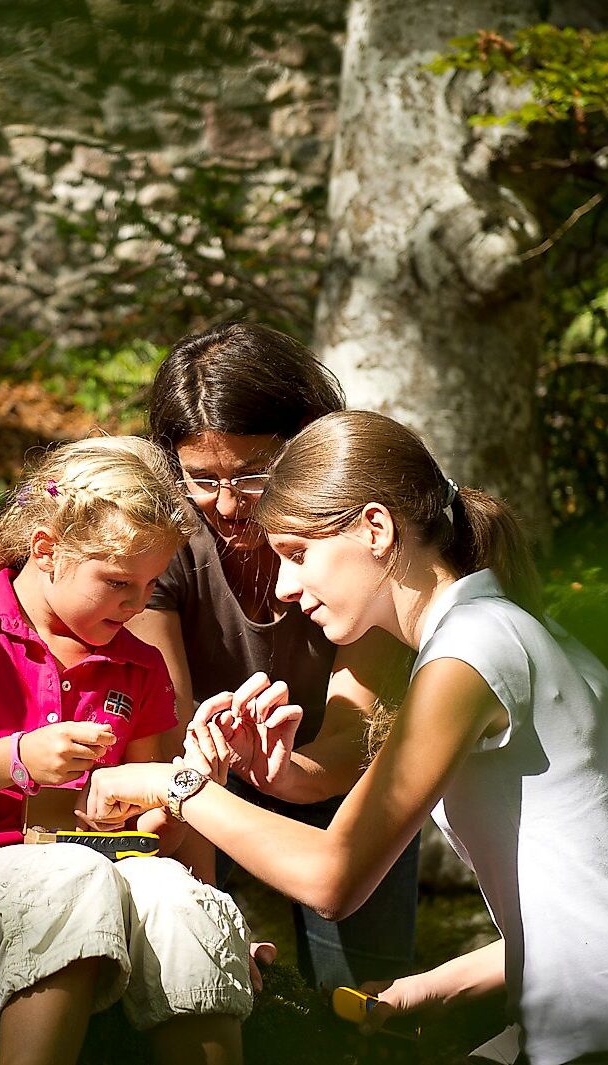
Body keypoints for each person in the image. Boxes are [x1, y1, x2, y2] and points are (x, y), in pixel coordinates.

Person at [85, 410, 608, 1065]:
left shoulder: (470, 650)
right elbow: (580, 903)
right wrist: (428, 989)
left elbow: (332, 877)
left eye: (297, 553)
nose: (284, 585)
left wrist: (170, 781)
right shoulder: (504, 631)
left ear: (375, 527)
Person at [0, 436, 257, 1065]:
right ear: (46, 550)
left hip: (111, 871)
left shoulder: (138, 664)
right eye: (118, 582)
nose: (136, 603)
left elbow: (155, 840)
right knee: (75, 878)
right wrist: (12, 759)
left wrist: (178, 792)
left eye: (152, 583)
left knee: (177, 897)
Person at [127, 320, 419, 988]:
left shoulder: (357, 534)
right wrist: (208, 912)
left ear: (305, 443)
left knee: (361, 1001)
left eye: (252, 475)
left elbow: (352, 733)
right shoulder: (161, 536)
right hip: (199, 780)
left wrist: (287, 773)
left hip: (335, 778)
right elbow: (165, 724)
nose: (227, 506)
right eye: (202, 480)